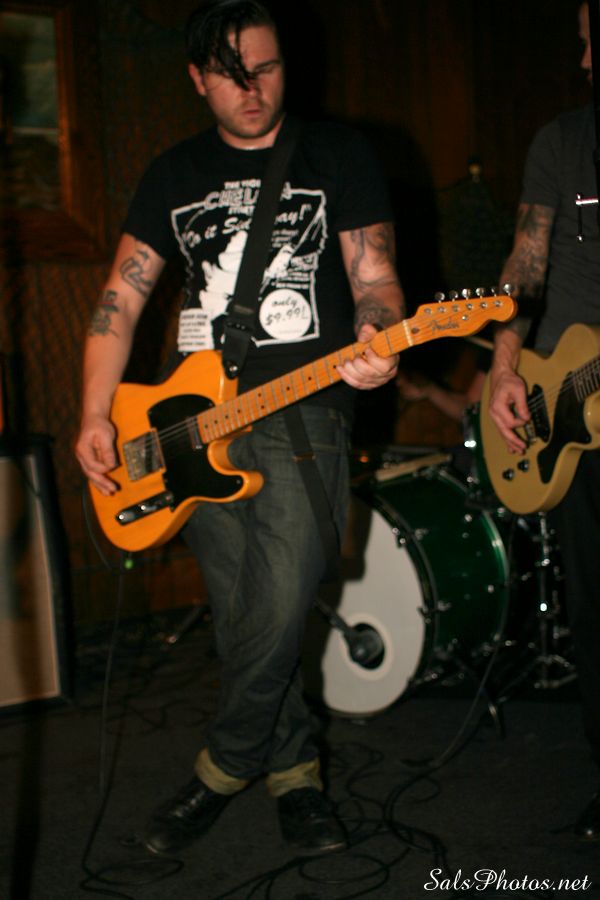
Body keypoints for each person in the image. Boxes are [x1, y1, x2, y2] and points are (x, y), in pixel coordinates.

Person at [74, 0, 403, 857]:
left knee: (286, 595)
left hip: (306, 404)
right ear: (196, 79)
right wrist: (94, 414)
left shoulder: (338, 153)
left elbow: (375, 280)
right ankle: (296, 778)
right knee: (245, 614)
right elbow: (120, 301)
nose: (252, 90)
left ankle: (222, 766)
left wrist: (378, 335)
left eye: (266, 69)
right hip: (187, 420)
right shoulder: (173, 173)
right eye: (230, 76)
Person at [488, 0, 600, 841]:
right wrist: (505, 363)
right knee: (593, 606)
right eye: (584, 43)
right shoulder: (562, 141)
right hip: (567, 403)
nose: (586, 60)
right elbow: (526, 265)